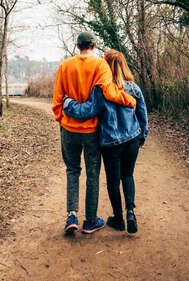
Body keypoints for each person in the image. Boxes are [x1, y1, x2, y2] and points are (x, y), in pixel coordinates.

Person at [52, 32, 137, 235]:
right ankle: (90, 221)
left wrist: (62, 120)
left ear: (77, 46)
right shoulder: (100, 65)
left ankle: (71, 215)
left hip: (69, 129)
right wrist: (130, 100)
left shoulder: (65, 65)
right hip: (92, 131)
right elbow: (109, 92)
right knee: (92, 174)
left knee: (72, 171)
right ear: (95, 45)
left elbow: (57, 99)